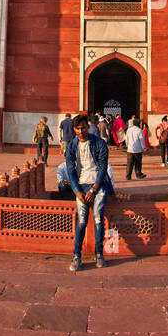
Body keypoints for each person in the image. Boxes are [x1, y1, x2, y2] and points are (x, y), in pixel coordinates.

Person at [65, 113, 115, 272]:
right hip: (81, 186)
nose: (81, 131)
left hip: (97, 185)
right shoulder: (72, 146)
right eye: (78, 129)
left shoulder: (99, 143)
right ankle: (76, 256)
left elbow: (102, 168)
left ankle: (99, 254)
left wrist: (94, 189)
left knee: (98, 218)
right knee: (81, 221)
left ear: (88, 127)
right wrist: (77, 191)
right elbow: (71, 171)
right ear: (74, 129)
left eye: (83, 128)